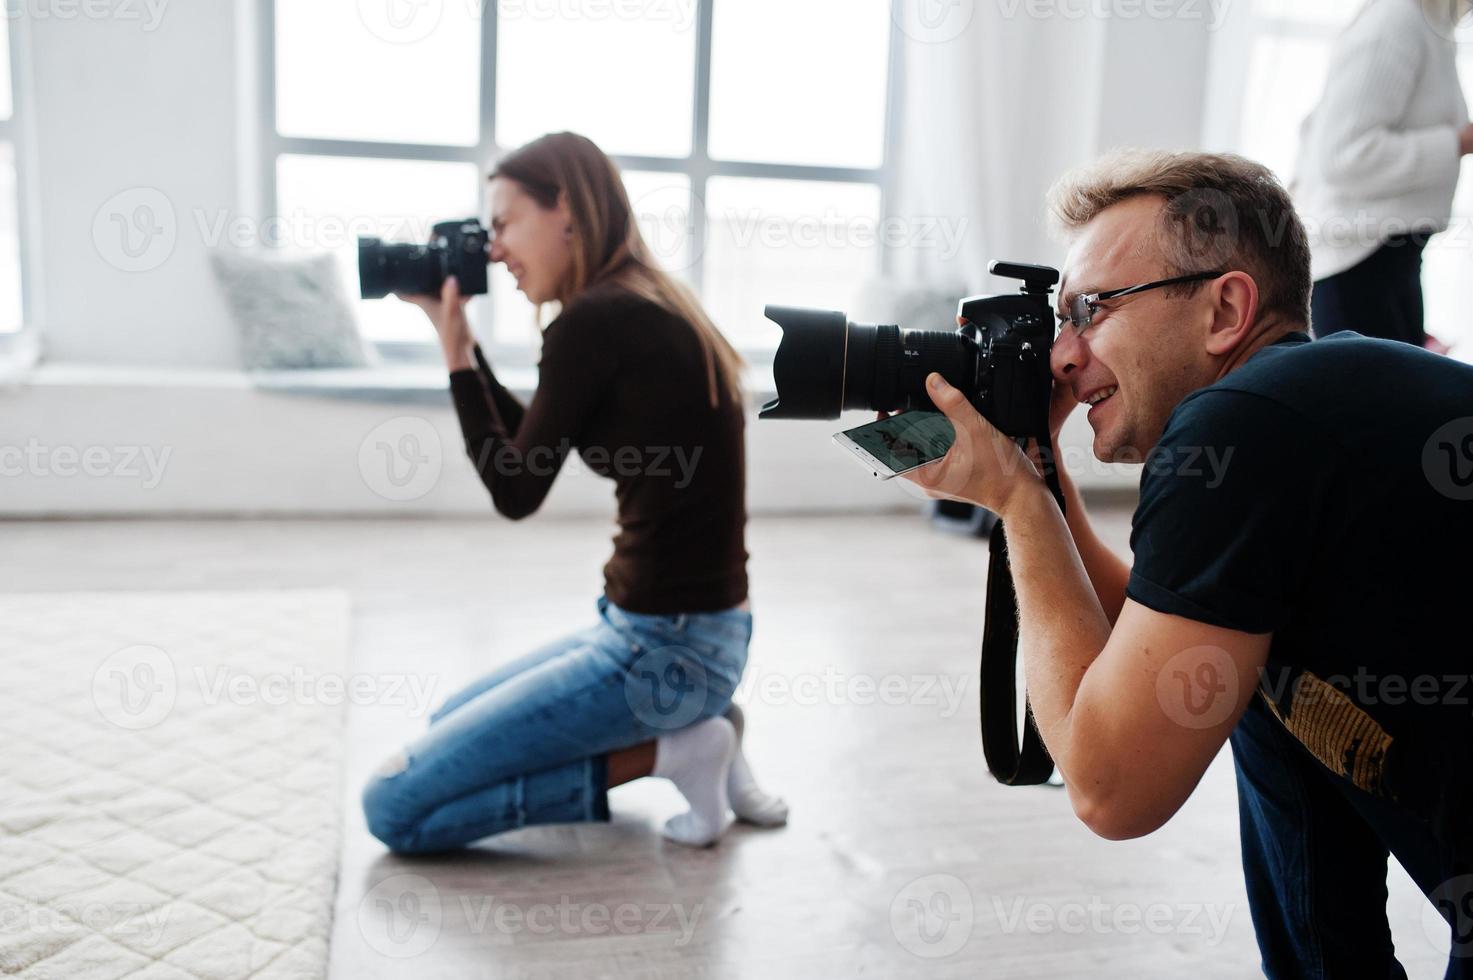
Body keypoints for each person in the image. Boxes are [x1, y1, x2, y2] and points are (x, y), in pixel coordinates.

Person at [908, 149, 1473, 976]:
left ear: (1224, 310)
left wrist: (1020, 507)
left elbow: (1111, 788)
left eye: (1092, 310)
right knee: (1232, 676)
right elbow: (1140, 638)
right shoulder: (1309, 404)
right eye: (1059, 321)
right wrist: (1031, 470)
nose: (1061, 356)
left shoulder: (1242, 425)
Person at [361, 132, 787, 853]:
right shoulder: (644, 301)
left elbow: (514, 489)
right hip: (685, 634)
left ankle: (673, 752)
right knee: (443, 725)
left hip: (664, 649)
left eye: (502, 223)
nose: (492, 249)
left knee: (394, 807)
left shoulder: (593, 321)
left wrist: (454, 355)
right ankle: (707, 730)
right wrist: (458, 342)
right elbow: (532, 443)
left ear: (565, 209)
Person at [1293, 0, 1473, 351]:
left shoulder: (1428, 22)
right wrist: (1457, 141)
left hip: (1388, 260)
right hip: (1359, 263)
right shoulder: (1397, 18)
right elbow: (1345, 155)